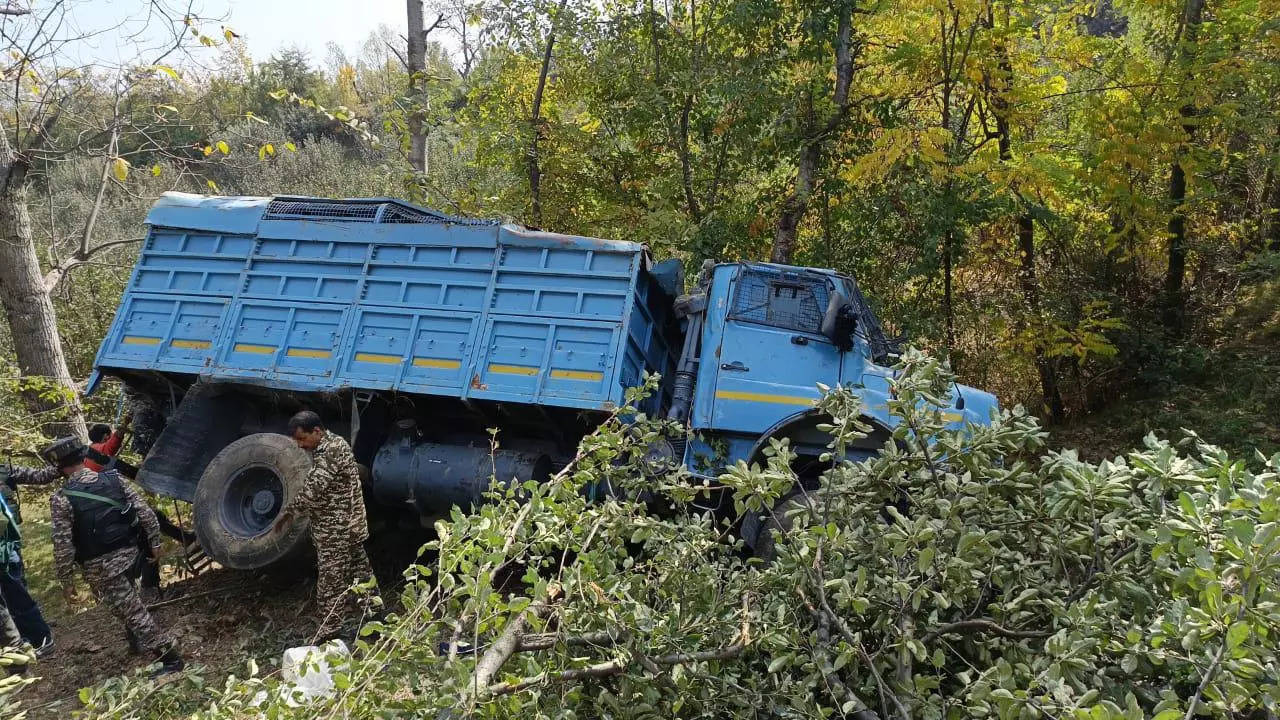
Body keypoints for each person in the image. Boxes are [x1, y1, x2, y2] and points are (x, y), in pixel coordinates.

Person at [41, 437, 184, 675]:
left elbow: (63, 546)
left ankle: (171, 659)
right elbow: (145, 512)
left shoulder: (61, 499)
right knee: (127, 605)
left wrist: (66, 582)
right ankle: (137, 641)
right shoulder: (113, 479)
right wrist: (155, 542)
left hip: (102, 568)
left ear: (59, 468)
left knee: (133, 611)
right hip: (130, 554)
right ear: (83, 457)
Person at [272, 410, 378, 640]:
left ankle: (329, 632)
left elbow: (313, 489)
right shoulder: (330, 445)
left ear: (317, 432)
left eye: (302, 439)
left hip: (337, 529)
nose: (300, 446)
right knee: (361, 572)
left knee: (331, 581)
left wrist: (288, 515)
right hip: (345, 524)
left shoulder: (331, 450)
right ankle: (376, 618)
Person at [0, 475, 52, 654]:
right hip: (7, 553)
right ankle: (23, 643)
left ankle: (40, 639)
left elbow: (6, 523)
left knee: (17, 599)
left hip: (5, 556)